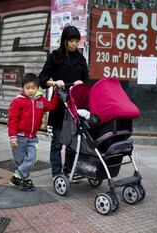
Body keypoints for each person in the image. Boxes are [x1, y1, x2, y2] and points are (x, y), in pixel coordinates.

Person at [38, 25, 89, 179]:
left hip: (75, 106)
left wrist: (81, 83)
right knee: (58, 142)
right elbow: (42, 79)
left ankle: (68, 170)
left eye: (76, 41)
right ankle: (56, 172)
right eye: (71, 41)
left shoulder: (81, 59)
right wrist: (55, 83)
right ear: (65, 41)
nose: (74, 44)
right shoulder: (54, 56)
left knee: (73, 143)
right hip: (59, 105)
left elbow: (86, 80)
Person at [7, 73, 59, 191]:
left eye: (33, 88)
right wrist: (13, 137)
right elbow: (12, 120)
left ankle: (17, 175)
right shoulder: (18, 101)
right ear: (23, 88)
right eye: (28, 88)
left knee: (32, 158)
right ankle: (25, 180)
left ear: (37, 88)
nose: (30, 91)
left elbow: (51, 106)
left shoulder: (40, 100)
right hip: (19, 137)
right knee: (20, 161)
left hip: (32, 137)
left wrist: (56, 93)